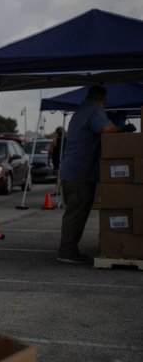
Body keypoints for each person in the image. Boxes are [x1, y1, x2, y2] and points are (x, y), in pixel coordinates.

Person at [56, 86, 133, 264]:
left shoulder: (80, 112)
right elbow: (106, 130)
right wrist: (120, 129)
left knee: (74, 212)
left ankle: (68, 249)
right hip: (79, 173)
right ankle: (67, 252)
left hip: (72, 171)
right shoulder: (94, 112)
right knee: (76, 213)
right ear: (103, 100)